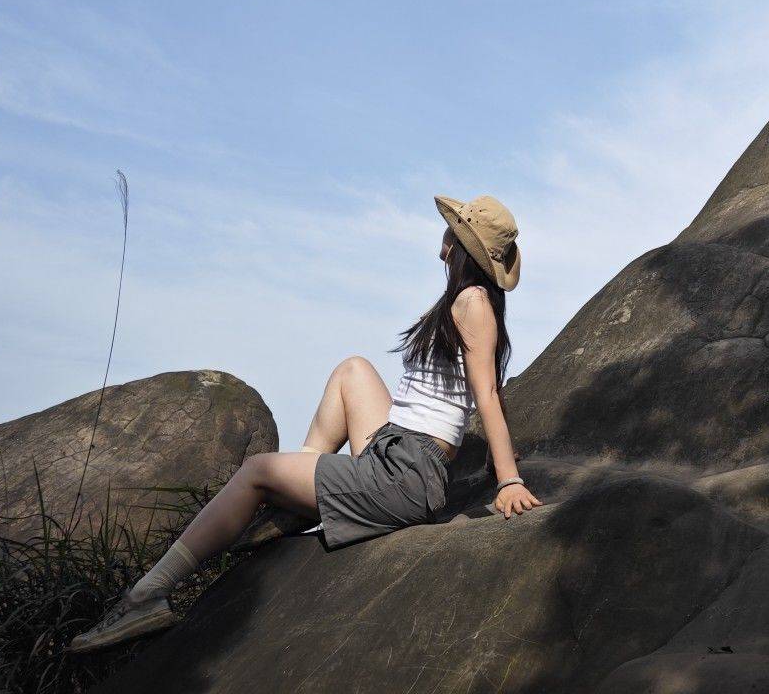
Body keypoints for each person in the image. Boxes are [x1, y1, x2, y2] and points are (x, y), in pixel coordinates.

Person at [67, 193, 539, 655]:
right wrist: (496, 456)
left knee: (256, 470)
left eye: (449, 234)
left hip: (405, 472)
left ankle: (147, 594)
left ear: (461, 247)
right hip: (394, 451)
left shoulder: (473, 301)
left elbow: (486, 393)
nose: (441, 243)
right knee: (353, 370)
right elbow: (482, 390)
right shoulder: (468, 300)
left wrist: (508, 479)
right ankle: (297, 502)